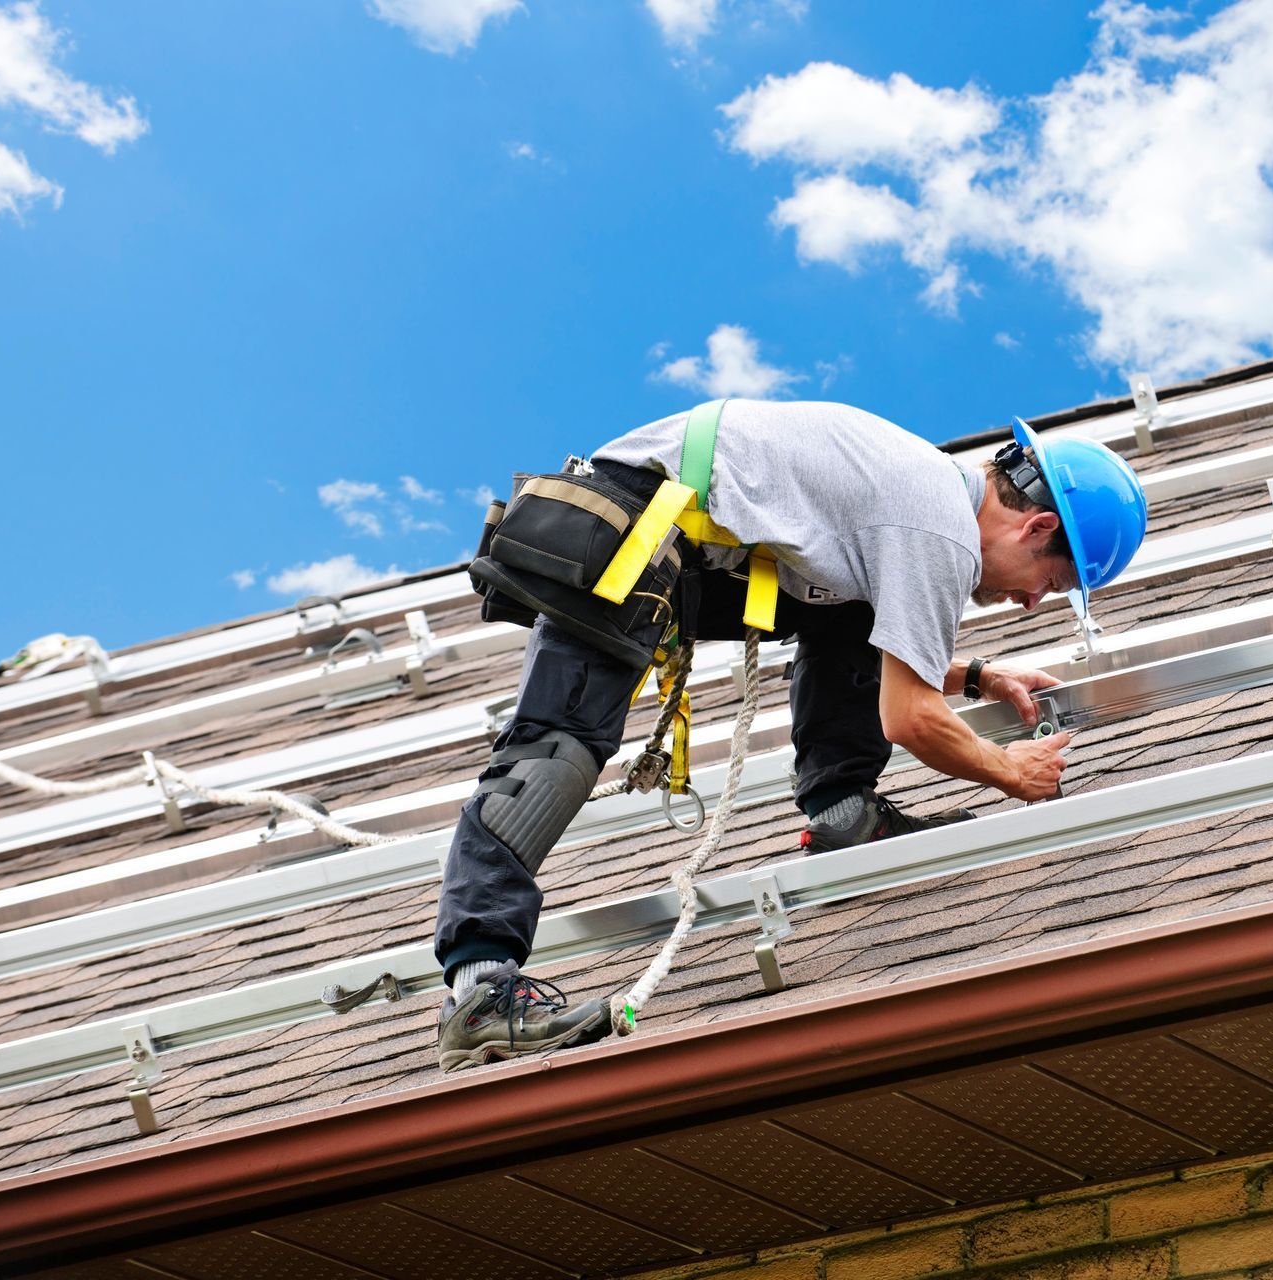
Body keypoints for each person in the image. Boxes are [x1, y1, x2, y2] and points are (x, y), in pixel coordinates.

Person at [432, 400, 1148, 1071]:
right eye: (1047, 586)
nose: (1027, 602)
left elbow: (885, 642)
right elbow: (910, 718)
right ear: (1038, 528)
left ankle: (845, 813)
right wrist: (1009, 772)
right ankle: (479, 991)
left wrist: (975, 676)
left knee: (850, 612)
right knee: (554, 756)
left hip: (679, 537)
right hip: (631, 528)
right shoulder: (940, 530)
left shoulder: (927, 494)